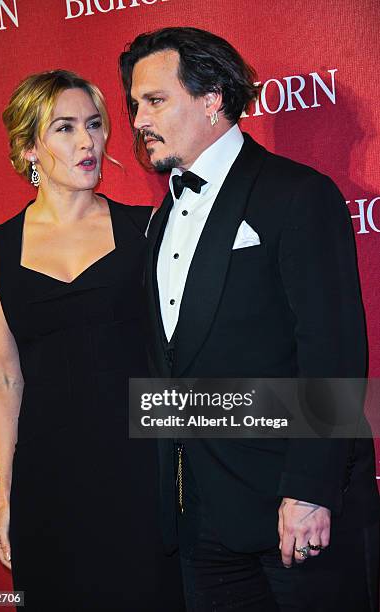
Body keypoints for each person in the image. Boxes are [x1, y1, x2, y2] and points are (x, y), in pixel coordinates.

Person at [119, 28, 380, 611]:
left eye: (155, 101)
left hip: (294, 511)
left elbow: (332, 346)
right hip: (200, 518)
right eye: (135, 104)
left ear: (212, 98)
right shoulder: (160, 221)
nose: (138, 119)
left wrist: (310, 490)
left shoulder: (297, 193)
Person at [0, 69, 184, 611]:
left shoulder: (148, 228)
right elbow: (2, 375)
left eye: (94, 124)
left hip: (140, 468)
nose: (88, 142)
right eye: (65, 128)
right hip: (48, 475)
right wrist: (5, 495)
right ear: (28, 148)